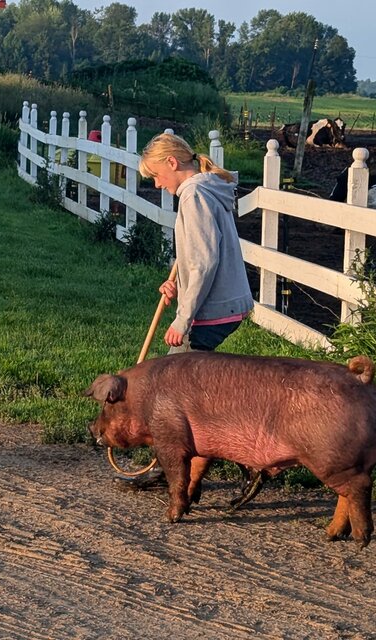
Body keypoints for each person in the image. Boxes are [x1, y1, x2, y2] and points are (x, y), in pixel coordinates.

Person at [114, 132, 261, 506]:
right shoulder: (208, 188)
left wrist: (183, 319)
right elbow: (193, 257)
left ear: (172, 163)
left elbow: (204, 262)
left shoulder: (194, 196)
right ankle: (178, 470)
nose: (157, 185)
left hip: (212, 310)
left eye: (155, 177)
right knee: (192, 396)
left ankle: (245, 461)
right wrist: (174, 279)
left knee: (176, 395)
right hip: (227, 301)